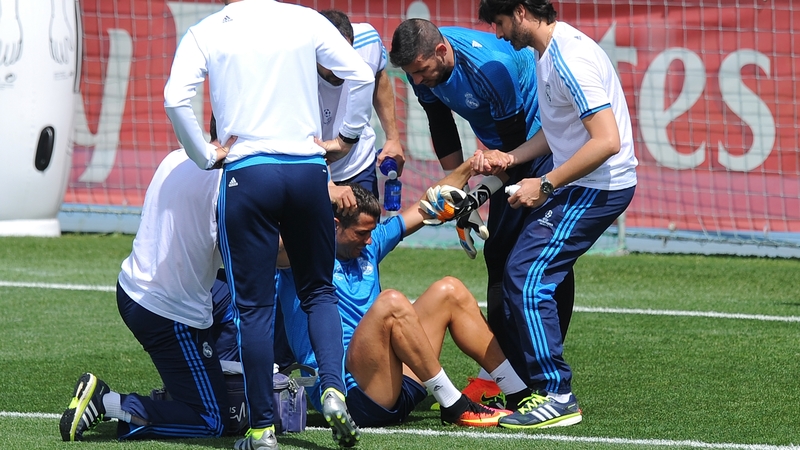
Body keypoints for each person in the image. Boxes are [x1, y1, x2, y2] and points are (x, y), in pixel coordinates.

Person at [163, 1, 375, 448]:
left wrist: (205, 154)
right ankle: (333, 387)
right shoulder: (306, 19)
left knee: (254, 308)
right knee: (318, 290)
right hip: (306, 170)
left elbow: (174, 98)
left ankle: (262, 429)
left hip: (249, 173)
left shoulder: (206, 30)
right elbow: (362, 75)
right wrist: (347, 137)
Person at [469, 0, 638, 429]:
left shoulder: (568, 58)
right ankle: (541, 387)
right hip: (584, 183)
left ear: (522, 11)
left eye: (502, 23)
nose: (500, 35)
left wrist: (545, 185)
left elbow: (606, 141)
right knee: (523, 272)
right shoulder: (546, 54)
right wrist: (511, 158)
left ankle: (557, 394)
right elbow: (558, 131)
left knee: (526, 277)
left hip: (600, 187)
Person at [247, 181, 538, 429]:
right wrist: (322, 190)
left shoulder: (370, 245)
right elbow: (271, 237)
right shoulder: (298, 257)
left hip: (397, 383)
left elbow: (428, 204)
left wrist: (479, 172)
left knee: (450, 290)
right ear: (333, 226)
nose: (369, 239)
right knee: (391, 302)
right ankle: (454, 404)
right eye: (361, 233)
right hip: (355, 398)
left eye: (371, 231)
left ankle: (518, 393)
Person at [388, 18, 575, 398]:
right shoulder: (420, 69)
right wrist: (456, 190)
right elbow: (439, 123)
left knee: (524, 259)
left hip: (537, 151)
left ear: (441, 51)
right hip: (502, 155)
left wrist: (478, 195)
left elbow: (514, 155)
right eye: (412, 75)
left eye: (422, 71)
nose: (418, 81)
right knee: (505, 258)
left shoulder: (493, 67)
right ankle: (507, 372)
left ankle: (517, 374)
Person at [59, 140, 234, 441]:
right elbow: (261, 256)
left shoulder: (178, 157)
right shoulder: (230, 185)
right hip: (168, 314)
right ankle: (109, 402)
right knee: (213, 420)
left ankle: (211, 377)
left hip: (133, 286)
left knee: (230, 298)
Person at [317, 10, 406, 197]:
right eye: (329, 59)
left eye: (344, 58)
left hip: (359, 165)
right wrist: (328, 183)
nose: (338, 67)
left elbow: (379, 76)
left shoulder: (368, 41)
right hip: (311, 169)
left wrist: (393, 138)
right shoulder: (296, 66)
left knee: (366, 227)